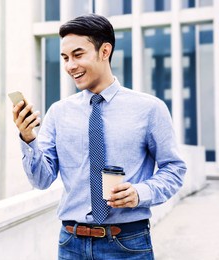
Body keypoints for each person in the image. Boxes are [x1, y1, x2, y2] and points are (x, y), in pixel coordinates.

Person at [12, 14, 186, 260]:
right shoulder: (59, 113)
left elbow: (174, 169)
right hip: (71, 243)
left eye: (78, 55)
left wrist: (140, 193)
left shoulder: (149, 109)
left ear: (105, 51)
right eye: (65, 58)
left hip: (128, 244)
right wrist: (28, 138)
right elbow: (42, 179)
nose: (70, 66)